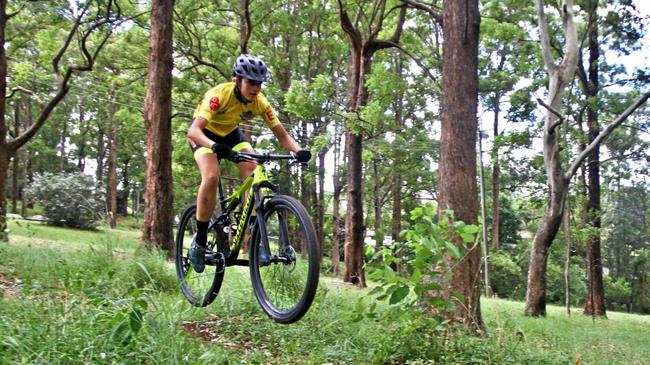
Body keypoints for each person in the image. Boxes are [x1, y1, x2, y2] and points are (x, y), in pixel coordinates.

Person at [186, 54, 310, 273]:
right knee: (212, 176)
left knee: (253, 168)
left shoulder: (260, 102)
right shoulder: (218, 96)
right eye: (252, 83)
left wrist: (299, 151)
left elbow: (282, 136)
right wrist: (214, 146)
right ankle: (200, 241)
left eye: (260, 84)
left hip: (232, 135)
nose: (256, 88)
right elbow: (193, 130)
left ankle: (255, 239)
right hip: (204, 135)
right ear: (238, 80)